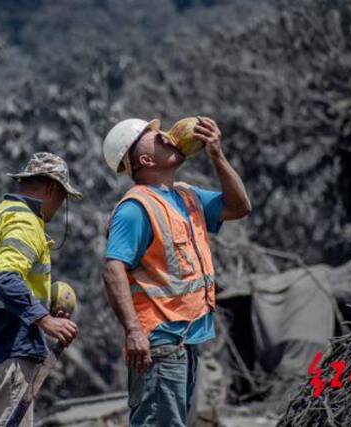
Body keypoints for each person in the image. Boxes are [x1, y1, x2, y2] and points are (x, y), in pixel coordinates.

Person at [101, 117, 251, 426]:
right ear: (144, 160)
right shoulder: (135, 208)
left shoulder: (186, 196)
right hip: (158, 343)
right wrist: (133, 332)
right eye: (157, 139)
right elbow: (113, 269)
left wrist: (217, 156)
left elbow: (239, 207)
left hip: (185, 341)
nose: (169, 138)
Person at [0, 152, 82, 427]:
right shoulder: (26, 222)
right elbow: (4, 279)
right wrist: (45, 320)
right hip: (7, 351)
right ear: (52, 189)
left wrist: (42, 305)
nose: (60, 207)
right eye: (62, 198)